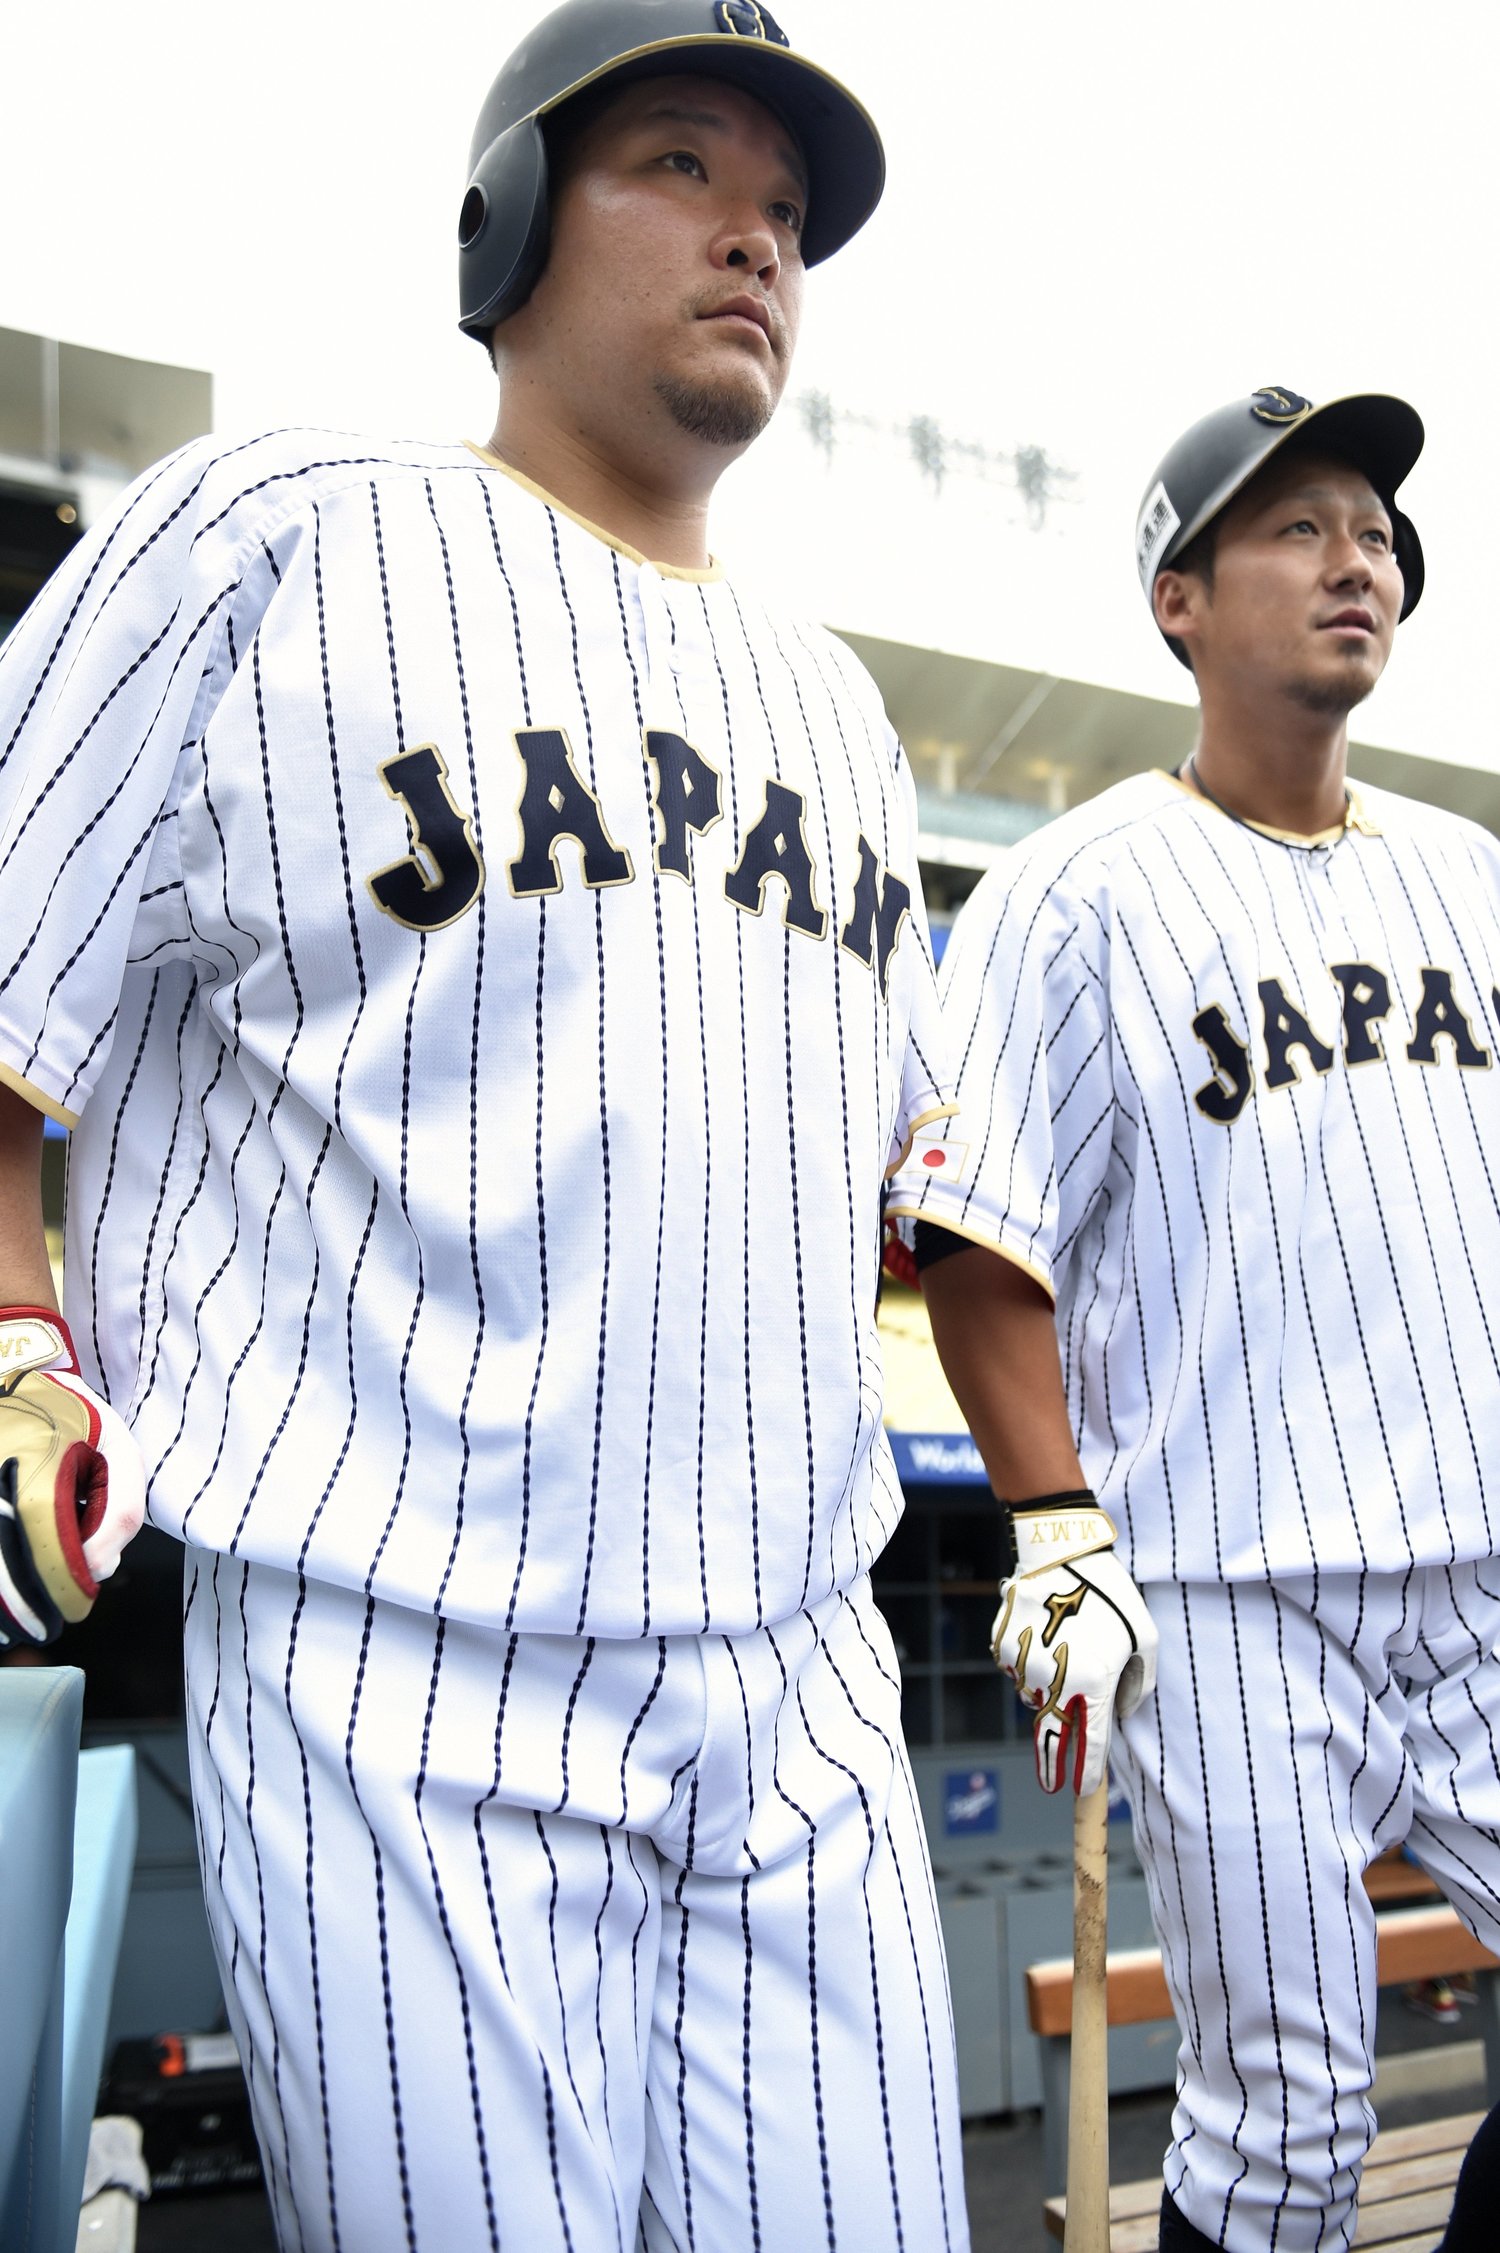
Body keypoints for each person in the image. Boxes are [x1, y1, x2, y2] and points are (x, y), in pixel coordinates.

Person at [0, 5, 969, 2246]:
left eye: (790, 213)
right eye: (683, 166)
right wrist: (21, 1325)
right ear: (511, 220)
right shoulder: (273, 532)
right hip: (402, 1657)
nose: (756, 235)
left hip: (802, 1666)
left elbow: (891, 1188)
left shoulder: (836, 702)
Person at [890, 384, 1500, 2252]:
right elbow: (974, 1223)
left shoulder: (1473, 884)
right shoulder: (1070, 891)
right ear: (1181, 598)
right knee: (1294, 2120)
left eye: (1378, 535)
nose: (1359, 563)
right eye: (1302, 529)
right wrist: (1053, 1516)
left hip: (1483, 1570)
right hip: (1235, 1597)